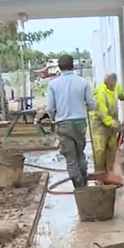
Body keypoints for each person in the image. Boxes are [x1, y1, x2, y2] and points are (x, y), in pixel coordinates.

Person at [45, 54, 96, 188]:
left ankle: (78, 187)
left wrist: (54, 117)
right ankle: (84, 182)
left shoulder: (53, 84)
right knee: (80, 154)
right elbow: (92, 104)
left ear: (59, 67)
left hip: (63, 124)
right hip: (80, 124)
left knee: (70, 159)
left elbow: (50, 108)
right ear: (73, 65)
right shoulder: (83, 82)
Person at [90, 72, 124, 173]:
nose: (113, 87)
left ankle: (109, 174)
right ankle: (100, 175)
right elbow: (103, 115)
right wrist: (118, 126)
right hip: (100, 123)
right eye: (111, 85)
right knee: (100, 150)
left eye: (114, 84)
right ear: (106, 83)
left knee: (112, 149)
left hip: (112, 120)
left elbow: (121, 93)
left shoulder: (116, 85)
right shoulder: (100, 93)